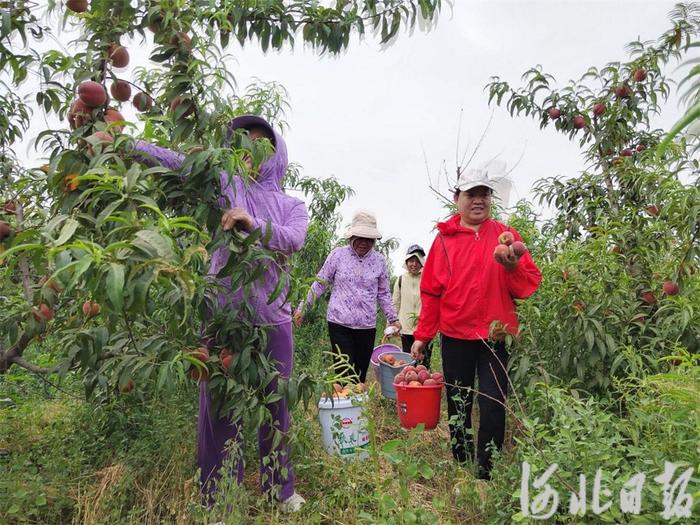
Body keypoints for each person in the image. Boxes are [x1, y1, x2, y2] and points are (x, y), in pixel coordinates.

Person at [134, 115, 307, 512]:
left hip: (273, 319)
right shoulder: (223, 183)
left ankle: (279, 491)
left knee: (275, 407)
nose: (250, 147)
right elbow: (176, 161)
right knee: (218, 411)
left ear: (275, 152)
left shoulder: (291, 205)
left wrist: (252, 223)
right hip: (222, 316)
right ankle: (218, 502)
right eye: (242, 140)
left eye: (261, 141)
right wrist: (125, 144)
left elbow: (293, 239)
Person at [410, 167, 541, 480]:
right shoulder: (444, 242)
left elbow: (527, 286)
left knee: (494, 404)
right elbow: (431, 293)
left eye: (484, 194)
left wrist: (511, 268)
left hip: (496, 336)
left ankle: (486, 472)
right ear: (458, 199)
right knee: (459, 403)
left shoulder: (506, 237)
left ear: (491, 199)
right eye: (471, 194)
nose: (478, 200)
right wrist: (422, 336)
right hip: (456, 336)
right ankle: (460, 461)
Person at [294, 210, 400, 383]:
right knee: (343, 372)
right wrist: (303, 307)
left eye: (369, 239)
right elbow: (320, 283)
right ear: (351, 236)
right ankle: (342, 406)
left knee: (359, 374)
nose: (364, 243)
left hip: (366, 326)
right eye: (360, 237)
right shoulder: (338, 255)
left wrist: (393, 318)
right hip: (339, 322)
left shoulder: (379, 261)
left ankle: (357, 408)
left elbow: (383, 294)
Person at [391, 244, 433, 368]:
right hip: (406, 329)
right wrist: (393, 322)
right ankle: (408, 386)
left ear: (422, 263)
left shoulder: (427, 279)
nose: (414, 264)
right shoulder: (400, 280)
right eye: (411, 261)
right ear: (407, 262)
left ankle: (423, 387)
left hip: (424, 328)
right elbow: (395, 303)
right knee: (408, 363)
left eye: (417, 261)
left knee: (424, 364)